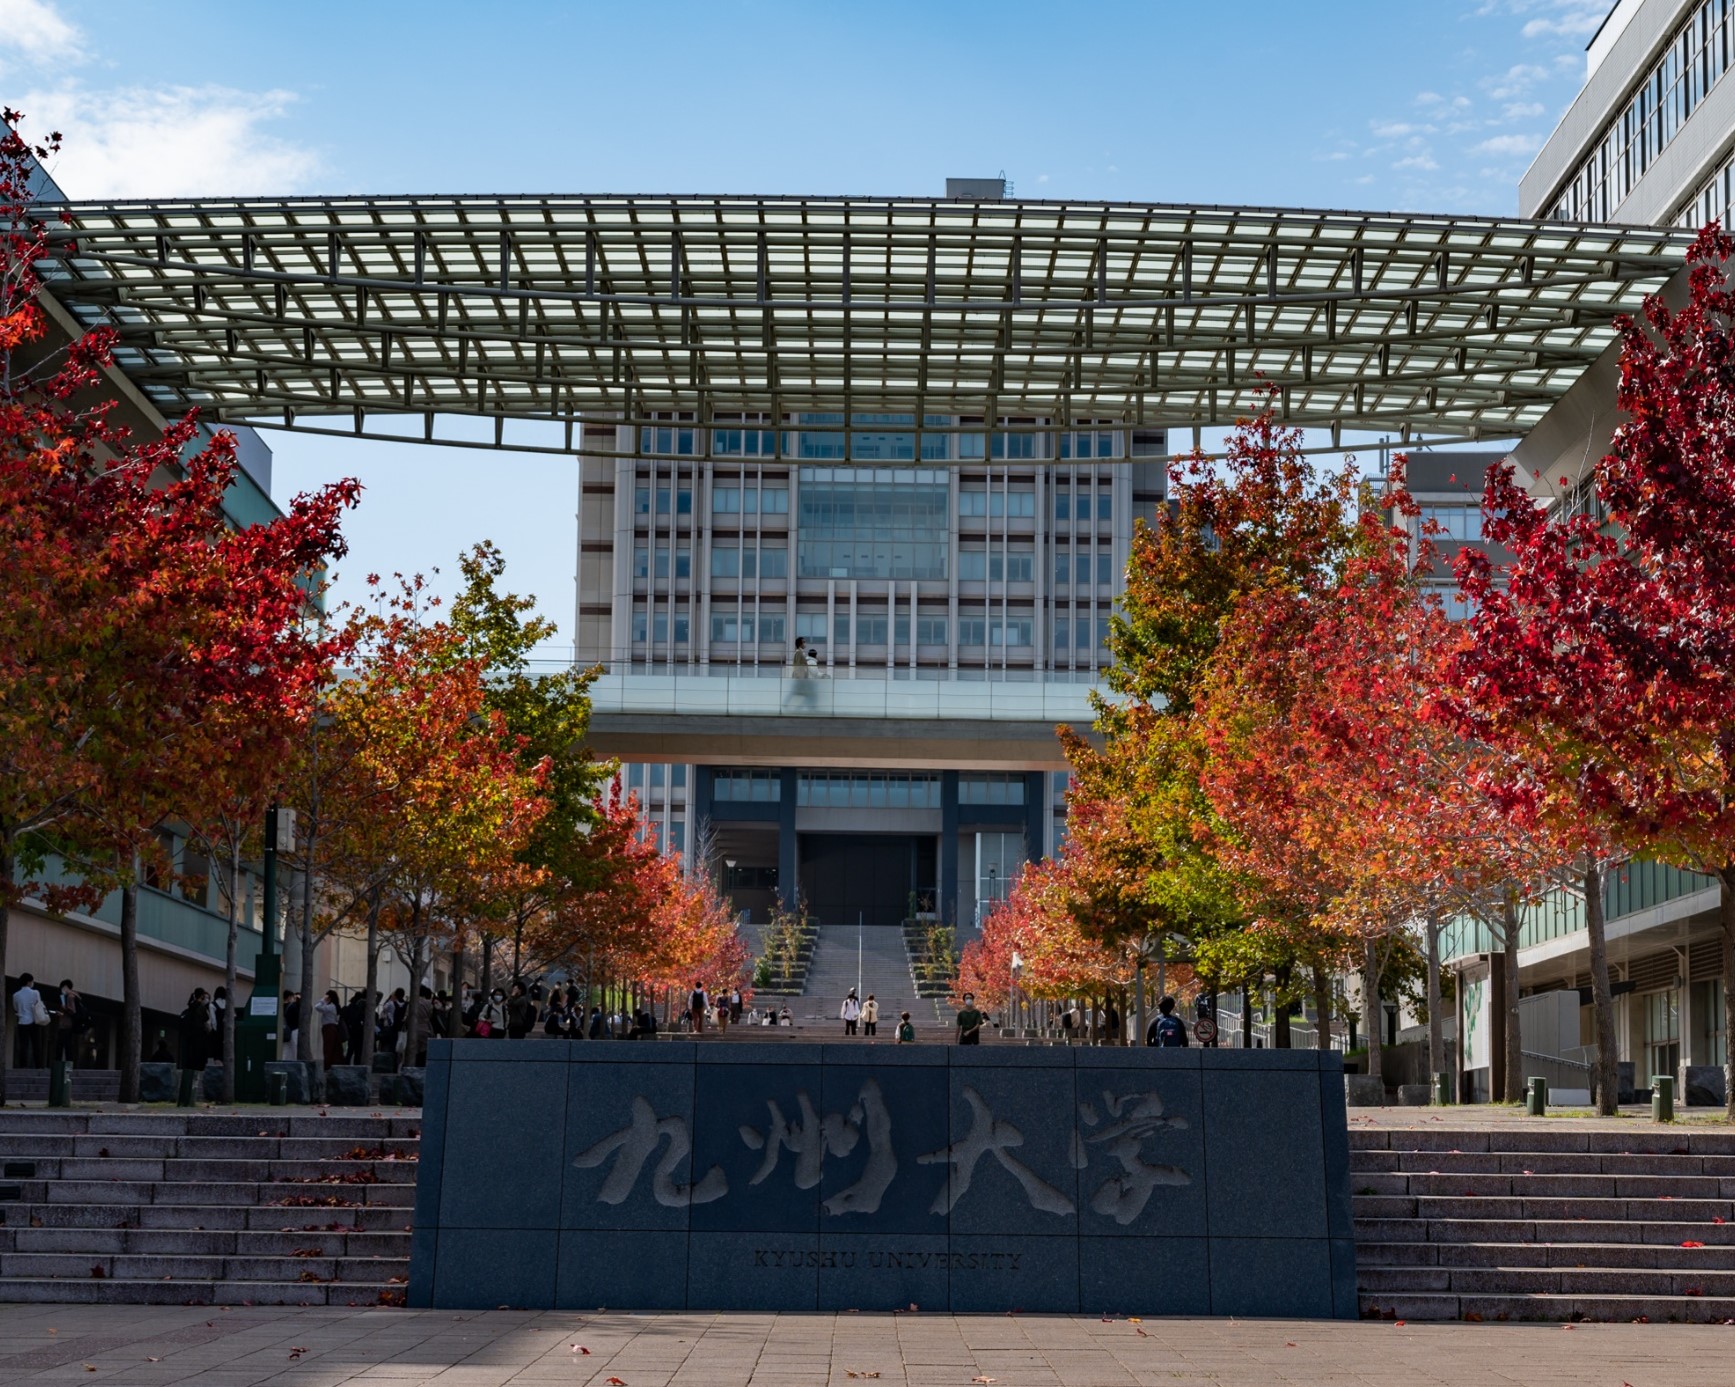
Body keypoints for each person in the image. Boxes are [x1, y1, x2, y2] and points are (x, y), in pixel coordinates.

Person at [12, 972, 45, 1069]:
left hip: (22, 1022)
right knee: (36, 1045)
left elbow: (15, 1008)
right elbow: (39, 1005)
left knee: (23, 1046)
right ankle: (38, 1066)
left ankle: (23, 1066)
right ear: (29, 982)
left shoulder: (16, 995)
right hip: (34, 1021)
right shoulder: (35, 993)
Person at [179, 988, 213, 1073]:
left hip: (190, 1039)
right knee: (199, 1062)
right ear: (201, 996)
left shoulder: (190, 1008)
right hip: (200, 1038)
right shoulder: (202, 1009)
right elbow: (207, 1024)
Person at [54, 980, 87, 1066]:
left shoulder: (70, 996)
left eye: (62, 987)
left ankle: (60, 1066)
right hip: (68, 1024)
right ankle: (68, 1066)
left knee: (61, 1046)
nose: (61, 990)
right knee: (67, 1046)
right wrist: (61, 1013)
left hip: (66, 1025)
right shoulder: (72, 996)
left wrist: (64, 1008)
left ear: (65, 987)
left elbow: (72, 1011)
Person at [315, 989, 342, 1067]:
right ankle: (331, 1063)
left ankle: (327, 1064)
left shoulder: (331, 1007)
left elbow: (317, 1007)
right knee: (332, 1046)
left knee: (328, 1047)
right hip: (332, 1027)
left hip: (328, 1028)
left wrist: (323, 1000)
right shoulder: (335, 1006)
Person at [283, 991, 301, 1058]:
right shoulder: (293, 1006)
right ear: (289, 997)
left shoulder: (280, 1006)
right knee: (294, 1048)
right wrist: (299, 1000)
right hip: (294, 1029)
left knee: (285, 1048)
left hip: (285, 1029)